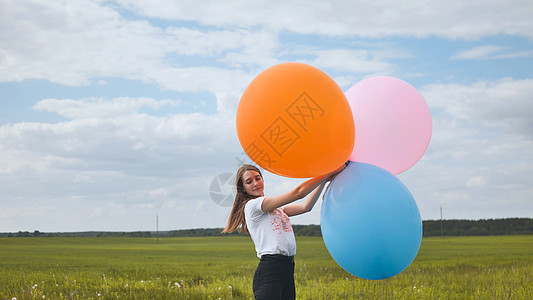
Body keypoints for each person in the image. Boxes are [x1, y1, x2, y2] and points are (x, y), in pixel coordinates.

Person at [222, 163, 345, 300]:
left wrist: (324, 180)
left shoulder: (279, 210)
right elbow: (299, 193)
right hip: (270, 271)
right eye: (249, 182)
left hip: (287, 269)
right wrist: (325, 173)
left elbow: (306, 206)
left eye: (258, 178)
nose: (256, 183)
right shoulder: (252, 206)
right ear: (243, 189)